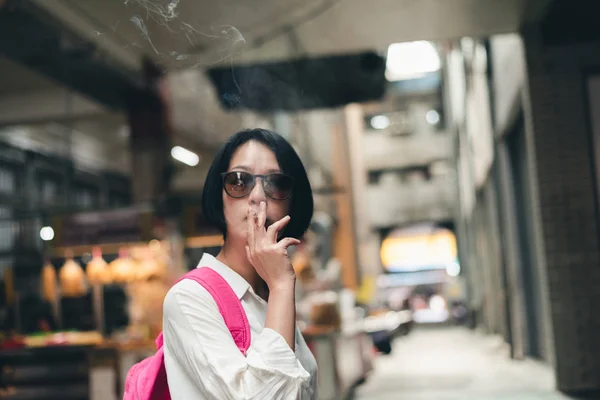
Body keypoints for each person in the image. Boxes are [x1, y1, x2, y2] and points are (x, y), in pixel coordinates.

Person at [162, 129, 318, 399]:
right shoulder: (190, 298)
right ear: (218, 196)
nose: (257, 197)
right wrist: (282, 286)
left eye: (276, 183)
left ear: (293, 200)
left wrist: (277, 287)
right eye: (238, 181)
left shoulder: (268, 293)